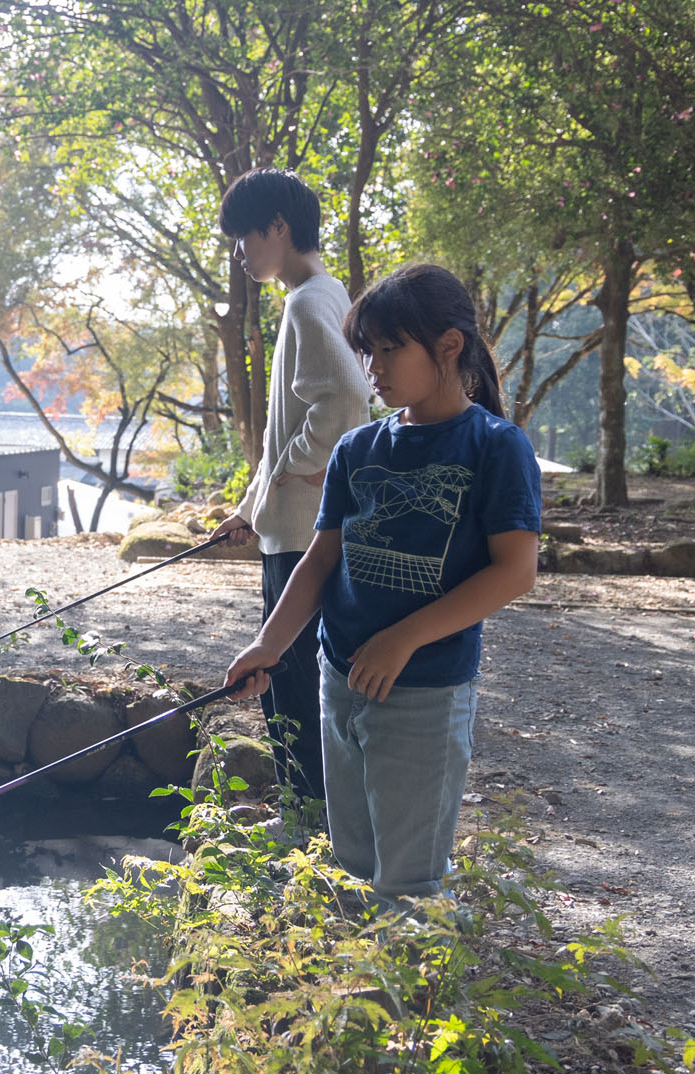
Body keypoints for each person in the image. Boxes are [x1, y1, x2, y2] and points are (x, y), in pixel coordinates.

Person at [224, 262, 541, 901]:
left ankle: (413, 967)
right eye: (365, 351)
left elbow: (515, 571)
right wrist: (269, 645)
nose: (372, 367)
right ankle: (362, 965)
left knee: (409, 880)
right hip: (339, 678)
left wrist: (403, 639)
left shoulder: (496, 447)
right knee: (354, 858)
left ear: (448, 346)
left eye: (389, 348)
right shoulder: (357, 448)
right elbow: (319, 562)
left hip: (424, 690)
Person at [211, 169, 371, 808]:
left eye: (244, 237)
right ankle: (317, 821)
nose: (239, 253)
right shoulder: (323, 295)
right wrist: (251, 509)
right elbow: (288, 428)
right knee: (295, 683)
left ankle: (309, 825)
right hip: (294, 528)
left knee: (289, 686)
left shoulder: (307, 302)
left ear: (278, 226)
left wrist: (300, 465)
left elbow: (347, 400)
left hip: (304, 536)